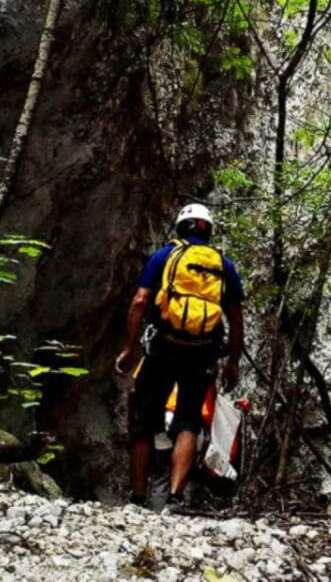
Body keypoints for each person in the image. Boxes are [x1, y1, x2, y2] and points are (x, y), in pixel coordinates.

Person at [114, 203, 244, 510]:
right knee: (189, 420)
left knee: (144, 420)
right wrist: (233, 362)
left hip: (163, 347)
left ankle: (138, 497)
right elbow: (237, 318)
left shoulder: (165, 256)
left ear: (180, 227)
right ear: (209, 230)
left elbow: (140, 301)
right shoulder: (223, 265)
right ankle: (174, 498)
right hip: (202, 352)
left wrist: (129, 348)